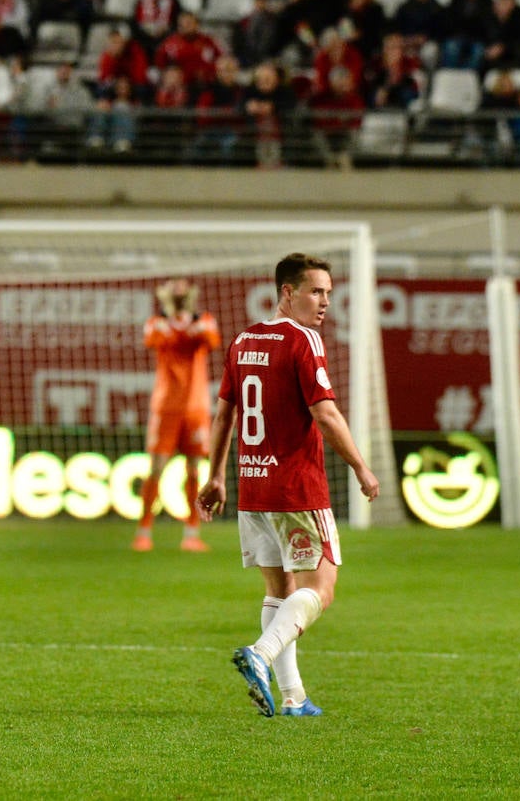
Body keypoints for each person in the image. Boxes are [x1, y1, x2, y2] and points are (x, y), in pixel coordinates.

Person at [197, 252, 380, 718]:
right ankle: (261, 652)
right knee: (323, 586)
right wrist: (360, 466)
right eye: (316, 292)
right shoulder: (304, 340)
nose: (324, 303)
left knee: (279, 591)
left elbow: (224, 413)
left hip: (252, 487)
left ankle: (293, 696)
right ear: (287, 292)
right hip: (296, 488)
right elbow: (325, 412)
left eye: (329, 294)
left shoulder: (243, 340)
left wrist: (217, 475)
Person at [132, 279, 221, 552]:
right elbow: (155, 340)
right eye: (174, 293)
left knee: (194, 469)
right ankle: (144, 531)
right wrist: (182, 330)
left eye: (183, 293)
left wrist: (183, 331)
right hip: (166, 406)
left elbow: (211, 341)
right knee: (156, 468)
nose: (180, 297)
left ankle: (192, 532)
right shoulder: (156, 322)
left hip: (196, 407)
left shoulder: (205, 320)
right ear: (166, 296)